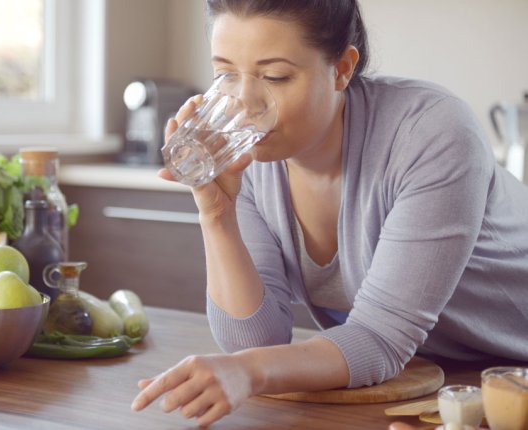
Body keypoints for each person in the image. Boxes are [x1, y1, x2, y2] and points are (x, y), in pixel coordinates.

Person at [130, 0, 528, 427]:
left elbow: (378, 339)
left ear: (342, 68)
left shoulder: (431, 132)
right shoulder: (250, 159)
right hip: (443, 381)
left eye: (275, 76)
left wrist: (248, 371)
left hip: (513, 376)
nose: (242, 103)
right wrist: (216, 213)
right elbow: (258, 340)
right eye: (225, 74)